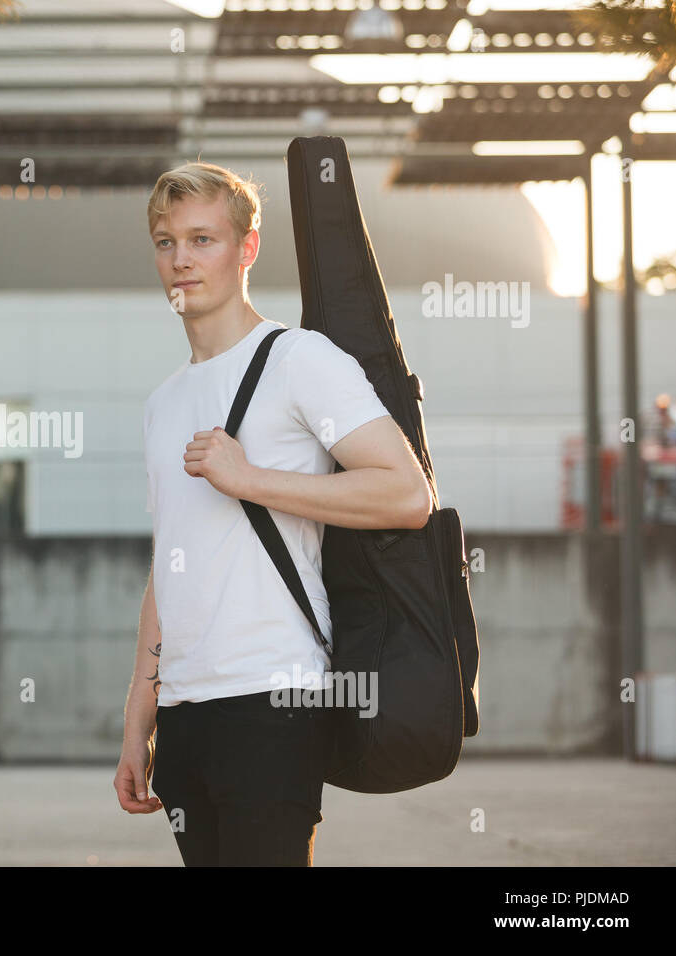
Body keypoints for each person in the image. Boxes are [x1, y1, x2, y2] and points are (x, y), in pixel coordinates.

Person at [113, 161, 433, 866]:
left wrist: (250, 478)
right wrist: (139, 718)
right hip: (186, 711)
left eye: (203, 239)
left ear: (246, 248)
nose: (181, 260)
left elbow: (407, 494)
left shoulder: (298, 360)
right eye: (166, 243)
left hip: (273, 697)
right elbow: (170, 562)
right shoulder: (163, 403)